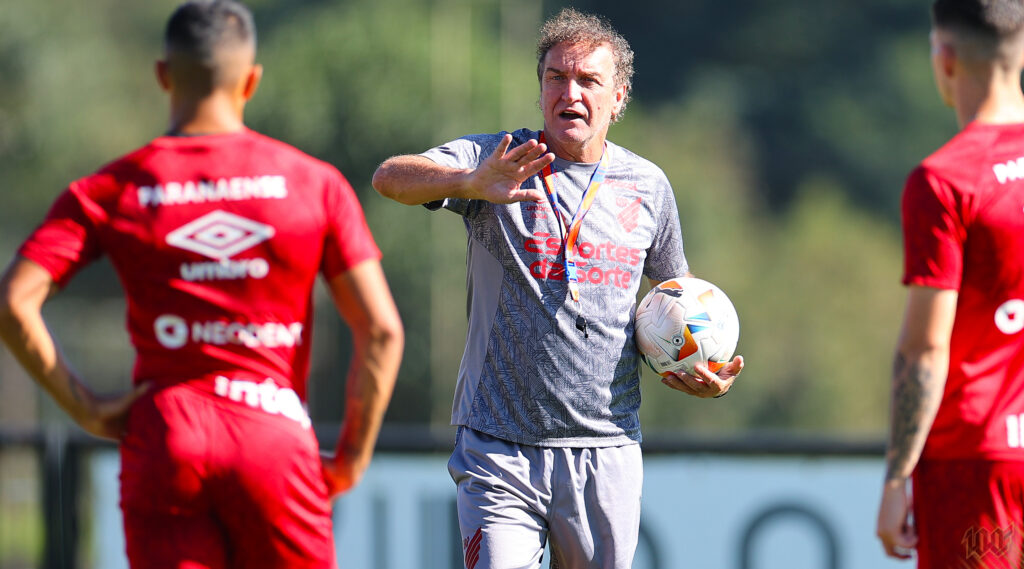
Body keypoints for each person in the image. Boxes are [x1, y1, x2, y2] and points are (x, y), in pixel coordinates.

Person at [0, 1, 403, 568]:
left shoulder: (113, 187)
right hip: (275, 437)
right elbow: (382, 330)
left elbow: (15, 303)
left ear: (164, 75)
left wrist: (87, 408)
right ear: (252, 80)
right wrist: (352, 457)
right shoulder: (314, 183)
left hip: (165, 436)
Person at [373, 8, 742, 569]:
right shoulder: (499, 160)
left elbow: (677, 297)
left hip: (605, 446)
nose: (570, 91)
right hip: (499, 445)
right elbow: (390, 178)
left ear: (618, 98)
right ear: (541, 87)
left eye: (589, 80)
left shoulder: (647, 186)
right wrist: (470, 182)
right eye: (556, 77)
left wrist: (696, 370)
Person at [875, 1, 1024, 567]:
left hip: (977, 466)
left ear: (945, 58)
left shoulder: (945, 181)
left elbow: (925, 348)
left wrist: (896, 480)